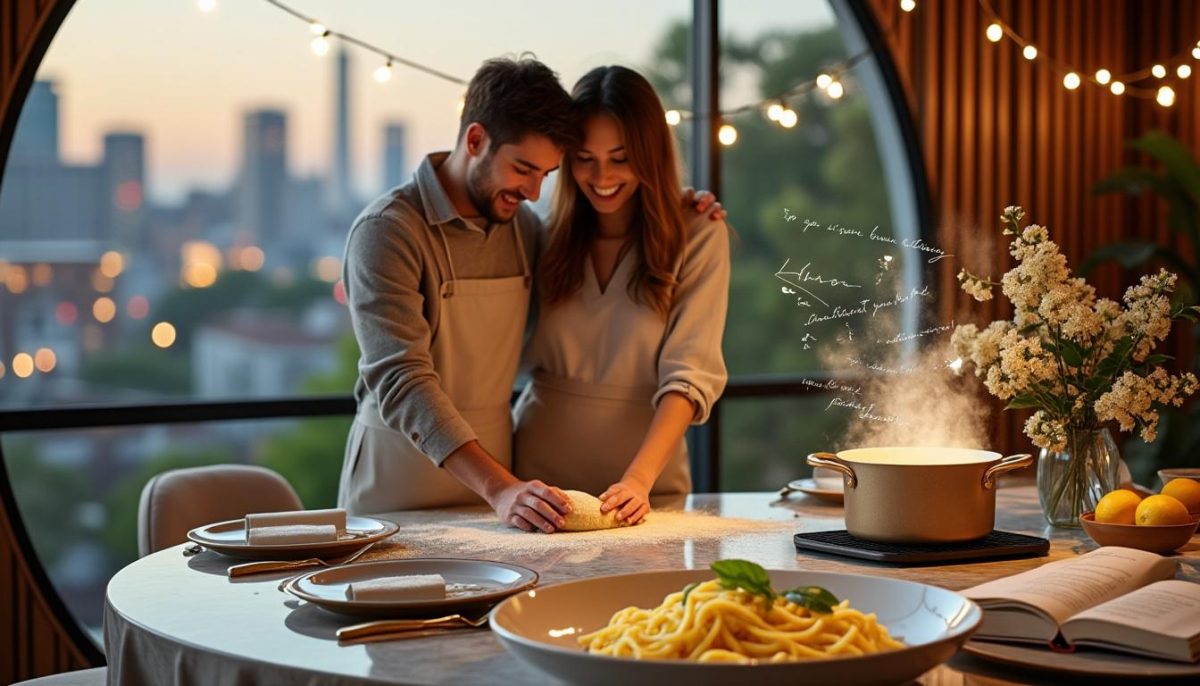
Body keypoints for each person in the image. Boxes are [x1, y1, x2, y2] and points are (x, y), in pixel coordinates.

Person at [336, 56, 579, 532]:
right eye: (523, 168)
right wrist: (499, 488)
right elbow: (402, 379)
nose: (532, 192)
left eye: (545, 176)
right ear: (475, 140)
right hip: (397, 481)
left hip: (496, 486)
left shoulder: (524, 229)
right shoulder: (387, 231)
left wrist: (681, 211)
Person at [513, 65, 731, 526]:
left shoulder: (698, 234)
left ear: (650, 155)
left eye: (621, 156)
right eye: (584, 157)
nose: (601, 175)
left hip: (647, 488)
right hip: (537, 484)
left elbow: (690, 373)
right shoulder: (540, 235)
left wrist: (637, 480)